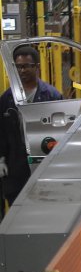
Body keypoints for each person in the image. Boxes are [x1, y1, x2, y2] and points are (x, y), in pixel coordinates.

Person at [0, 46, 62, 206]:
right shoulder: (6, 99)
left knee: (45, 204)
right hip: (16, 164)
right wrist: (1, 159)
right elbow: (1, 132)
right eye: (19, 66)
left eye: (27, 66)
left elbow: (62, 130)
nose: (22, 70)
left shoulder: (52, 96)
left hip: (44, 160)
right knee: (17, 206)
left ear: (37, 67)